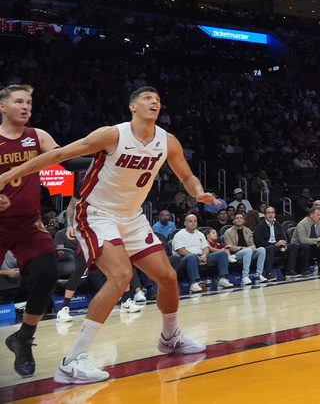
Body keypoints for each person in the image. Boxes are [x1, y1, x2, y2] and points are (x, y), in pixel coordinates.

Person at [0, 86, 216, 384]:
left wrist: (199, 192)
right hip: (96, 212)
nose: (154, 102)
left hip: (132, 216)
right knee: (120, 275)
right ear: (132, 106)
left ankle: (170, 338)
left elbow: (187, 176)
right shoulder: (112, 135)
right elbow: (59, 154)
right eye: (147, 98)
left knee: (167, 277)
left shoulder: (167, 141)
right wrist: (7, 176)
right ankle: (72, 362)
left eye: (157, 99)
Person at [0, 84, 61, 377]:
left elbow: (67, 159)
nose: (26, 107)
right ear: (2, 107)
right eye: (19, 102)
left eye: (29, 103)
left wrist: (104, 154)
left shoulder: (38, 136)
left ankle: (23, 338)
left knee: (48, 273)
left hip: (28, 222)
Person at [172, 214, 233, 292]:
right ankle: (194, 283)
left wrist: (204, 255)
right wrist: (197, 257)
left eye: (195, 221)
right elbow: (181, 250)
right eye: (190, 221)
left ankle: (222, 279)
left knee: (222, 253)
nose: (193, 223)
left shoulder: (200, 234)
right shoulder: (179, 235)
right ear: (185, 223)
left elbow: (206, 248)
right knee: (192, 257)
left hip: (201, 256)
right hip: (185, 258)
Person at [223, 212, 268, 284]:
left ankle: (259, 274)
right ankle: (245, 276)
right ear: (233, 221)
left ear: (244, 221)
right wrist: (242, 248)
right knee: (248, 250)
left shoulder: (247, 230)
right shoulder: (228, 232)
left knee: (262, 250)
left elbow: (251, 243)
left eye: (241, 218)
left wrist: (253, 247)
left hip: (248, 251)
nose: (239, 219)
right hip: (235, 254)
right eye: (237, 218)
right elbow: (229, 247)